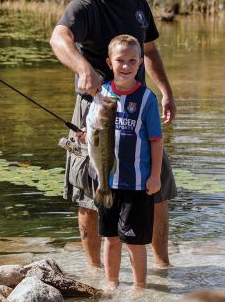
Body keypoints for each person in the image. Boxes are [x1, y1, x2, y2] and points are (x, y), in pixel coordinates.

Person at [50, 0, 177, 269]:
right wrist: (83, 68)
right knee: (91, 193)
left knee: (158, 188)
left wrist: (165, 90)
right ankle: (94, 275)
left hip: (138, 108)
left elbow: (149, 51)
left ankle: (162, 268)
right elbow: (58, 37)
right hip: (97, 109)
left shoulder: (137, 4)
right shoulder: (85, 6)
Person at [96, 34, 163, 288]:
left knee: (134, 242)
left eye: (132, 61)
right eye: (120, 60)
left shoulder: (147, 99)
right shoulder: (101, 94)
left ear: (141, 63)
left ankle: (139, 289)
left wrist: (155, 176)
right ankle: (111, 284)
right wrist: (83, 135)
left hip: (136, 183)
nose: (125, 66)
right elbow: (92, 130)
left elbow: (156, 141)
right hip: (106, 181)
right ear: (109, 62)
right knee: (110, 238)